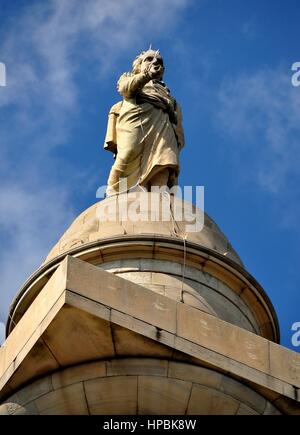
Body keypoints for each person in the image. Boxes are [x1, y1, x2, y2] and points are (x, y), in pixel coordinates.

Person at [104, 49, 184, 196]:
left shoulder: (168, 95)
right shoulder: (128, 77)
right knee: (128, 152)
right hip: (135, 119)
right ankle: (115, 189)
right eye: (149, 59)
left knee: (165, 157)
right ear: (139, 65)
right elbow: (126, 89)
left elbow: (177, 122)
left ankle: (159, 190)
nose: (155, 63)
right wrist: (146, 75)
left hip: (162, 124)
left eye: (159, 62)